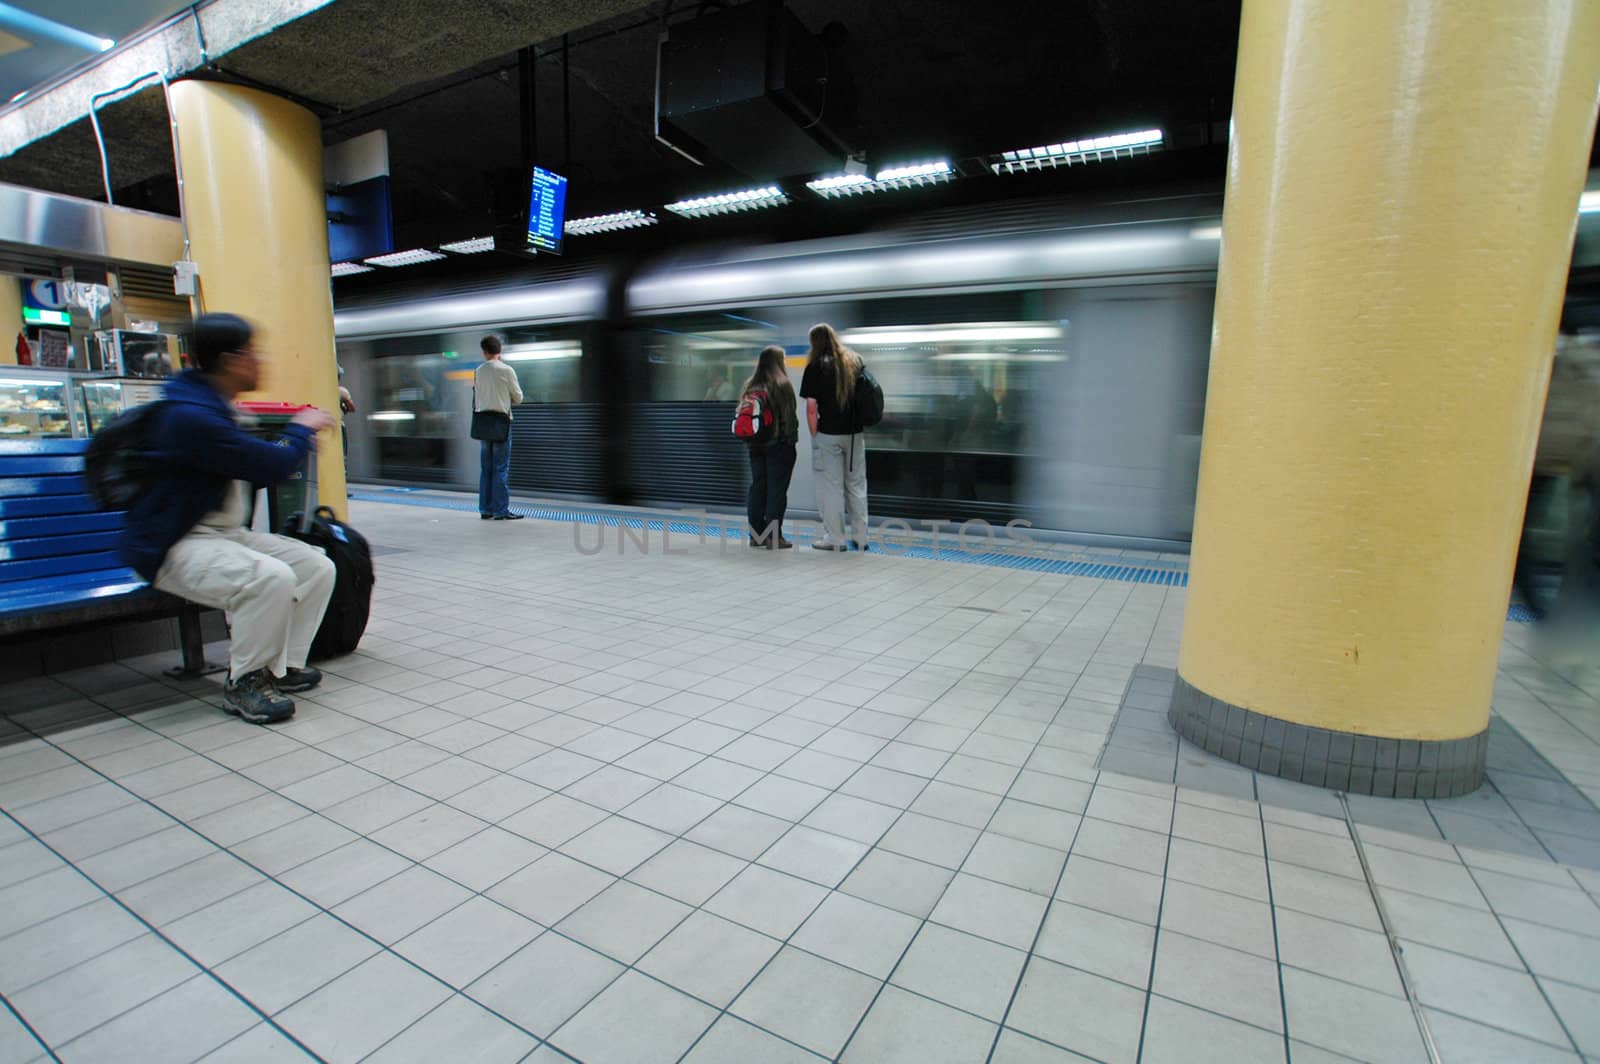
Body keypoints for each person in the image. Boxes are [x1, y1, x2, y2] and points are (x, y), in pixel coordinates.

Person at [120, 312, 337, 725]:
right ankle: (246, 683)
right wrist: (299, 429)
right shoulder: (190, 416)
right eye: (254, 353)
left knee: (315, 566)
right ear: (231, 359)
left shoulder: (213, 407)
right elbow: (270, 465)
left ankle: (281, 668)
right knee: (270, 577)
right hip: (175, 544)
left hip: (222, 536)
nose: (260, 361)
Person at [800, 322, 870, 550]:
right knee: (857, 485)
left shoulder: (815, 367)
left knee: (832, 487)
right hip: (855, 434)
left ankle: (835, 539)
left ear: (814, 343)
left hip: (828, 434)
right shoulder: (855, 361)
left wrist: (815, 435)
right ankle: (861, 539)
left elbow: (811, 408)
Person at [741, 346, 799, 548]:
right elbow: (790, 419)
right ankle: (774, 537)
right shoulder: (782, 384)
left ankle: (756, 536)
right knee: (776, 490)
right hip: (778, 446)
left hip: (755, 445)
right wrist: (791, 443)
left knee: (758, 487)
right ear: (779, 362)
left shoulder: (750, 385)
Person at [474, 335, 524, 520]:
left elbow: (478, 398)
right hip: (501, 422)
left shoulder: (479, 371)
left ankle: (485, 509)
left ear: (485, 352)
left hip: (484, 423)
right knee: (500, 468)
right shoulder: (506, 370)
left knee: (486, 468)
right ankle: (500, 510)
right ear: (499, 351)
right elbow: (518, 398)